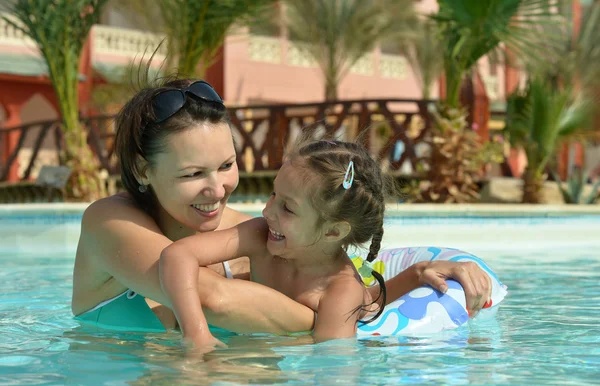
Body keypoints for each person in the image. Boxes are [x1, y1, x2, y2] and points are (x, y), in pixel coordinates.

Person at [71, 78, 492, 336]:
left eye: (226, 165)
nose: (217, 190)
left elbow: (328, 288)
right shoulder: (109, 221)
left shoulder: (254, 232)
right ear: (144, 171)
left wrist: (413, 277)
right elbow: (215, 299)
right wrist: (332, 320)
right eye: (191, 175)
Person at [160, 139, 390, 347]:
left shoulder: (341, 292)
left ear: (332, 231)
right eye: (273, 194)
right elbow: (177, 254)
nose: (266, 211)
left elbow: (329, 368)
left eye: (287, 208)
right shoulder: (260, 235)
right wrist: (196, 333)